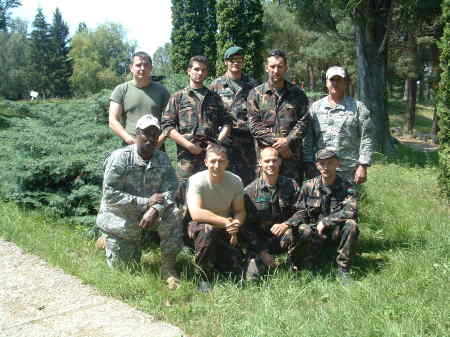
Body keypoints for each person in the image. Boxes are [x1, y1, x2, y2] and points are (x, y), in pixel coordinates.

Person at [96, 115, 183, 289]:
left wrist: (156, 208)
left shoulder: (162, 159)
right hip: (121, 216)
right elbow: (110, 195)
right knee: (125, 271)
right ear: (137, 134)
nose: (151, 138)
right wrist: (145, 202)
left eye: (155, 134)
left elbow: (172, 188)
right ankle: (107, 238)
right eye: (146, 133)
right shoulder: (120, 158)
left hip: (150, 212)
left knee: (174, 214)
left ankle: (168, 268)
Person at [161, 55, 232, 181]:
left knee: (211, 191)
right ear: (189, 71)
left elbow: (227, 122)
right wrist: (188, 145)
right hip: (187, 158)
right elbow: (167, 126)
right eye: (196, 69)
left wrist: (217, 143)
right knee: (186, 194)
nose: (200, 73)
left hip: (211, 157)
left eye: (204, 70)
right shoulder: (178, 97)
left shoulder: (214, 97)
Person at [294, 149, 359, 283]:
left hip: (335, 232)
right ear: (317, 166)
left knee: (351, 225)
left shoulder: (347, 186)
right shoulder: (308, 186)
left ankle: (343, 270)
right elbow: (300, 211)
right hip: (314, 233)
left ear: (337, 164)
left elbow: (351, 211)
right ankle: (303, 264)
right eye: (322, 164)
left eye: (330, 163)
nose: (326, 167)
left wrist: (325, 222)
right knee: (302, 229)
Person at [186, 144, 246, 287]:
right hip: (199, 226)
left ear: (227, 163)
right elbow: (196, 213)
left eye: (221, 161)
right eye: (213, 161)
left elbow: (240, 211)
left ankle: (217, 261)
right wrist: (226, 222)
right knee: (208, 230)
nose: (217, 165)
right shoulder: (196, 180)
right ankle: (203, 277)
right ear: (206, 162)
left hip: (226, 228)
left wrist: (236, 224)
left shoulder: (235, 181)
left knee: (235, 270)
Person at [247, 49, 309, 185]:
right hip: (266, 158)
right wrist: (279, 144)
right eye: (272, 66)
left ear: (286, 68)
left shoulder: (298, 94)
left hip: (291, 158)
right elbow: (254, 125)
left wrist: (288, 141)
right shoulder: (255, 94)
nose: (276, 70)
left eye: (280, 66)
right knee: (264, 198)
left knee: (292, 197)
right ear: (266, 68)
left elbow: (304, 122)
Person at [304, 66, 375, 184]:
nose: (335, 84)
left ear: (345, 83)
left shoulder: (358, 108)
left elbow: (367, 138)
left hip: (348, 170)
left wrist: (363, 165)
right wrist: (308, 163)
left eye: (339, 80)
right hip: (321, 170)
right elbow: (308, 139)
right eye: (332, 80)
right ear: (326, 83)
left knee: (349, 203)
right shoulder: (315, 108)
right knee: (319, 202)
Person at [243, 147, 305, 279]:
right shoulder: (250, 191)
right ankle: (263, 260)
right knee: (252, 278)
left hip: (284, 237)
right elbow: (246, 228)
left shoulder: (291, 185)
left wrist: (286, 224)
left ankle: (294, 264)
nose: (271, 164)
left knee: (304, 230)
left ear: (280, 162)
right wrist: (262, 252)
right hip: (260, 241)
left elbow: (303, 210)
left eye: (274, 160)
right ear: (260, 162)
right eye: (267, 161)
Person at [210, 46, 259, 185]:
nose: (236, 63)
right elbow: (212, 112)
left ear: (243, 62)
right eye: (232, 60)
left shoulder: (253, 84)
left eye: (239, 60)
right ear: (226, 62)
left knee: (249, 177)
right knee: (225, 177)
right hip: (226, 139)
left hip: (248, 139)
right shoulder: (217, 85)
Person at [109, 51, 170, 148]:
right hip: (129, 147)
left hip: (157, 148)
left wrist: (159, 141)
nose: (142, 68)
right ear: (131, 68)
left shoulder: (162, 91)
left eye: (146, 65)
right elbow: (113, 120)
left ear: (151, 68)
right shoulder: (121, 90)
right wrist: (129, 139)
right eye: (138, 65)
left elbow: (171, 121)